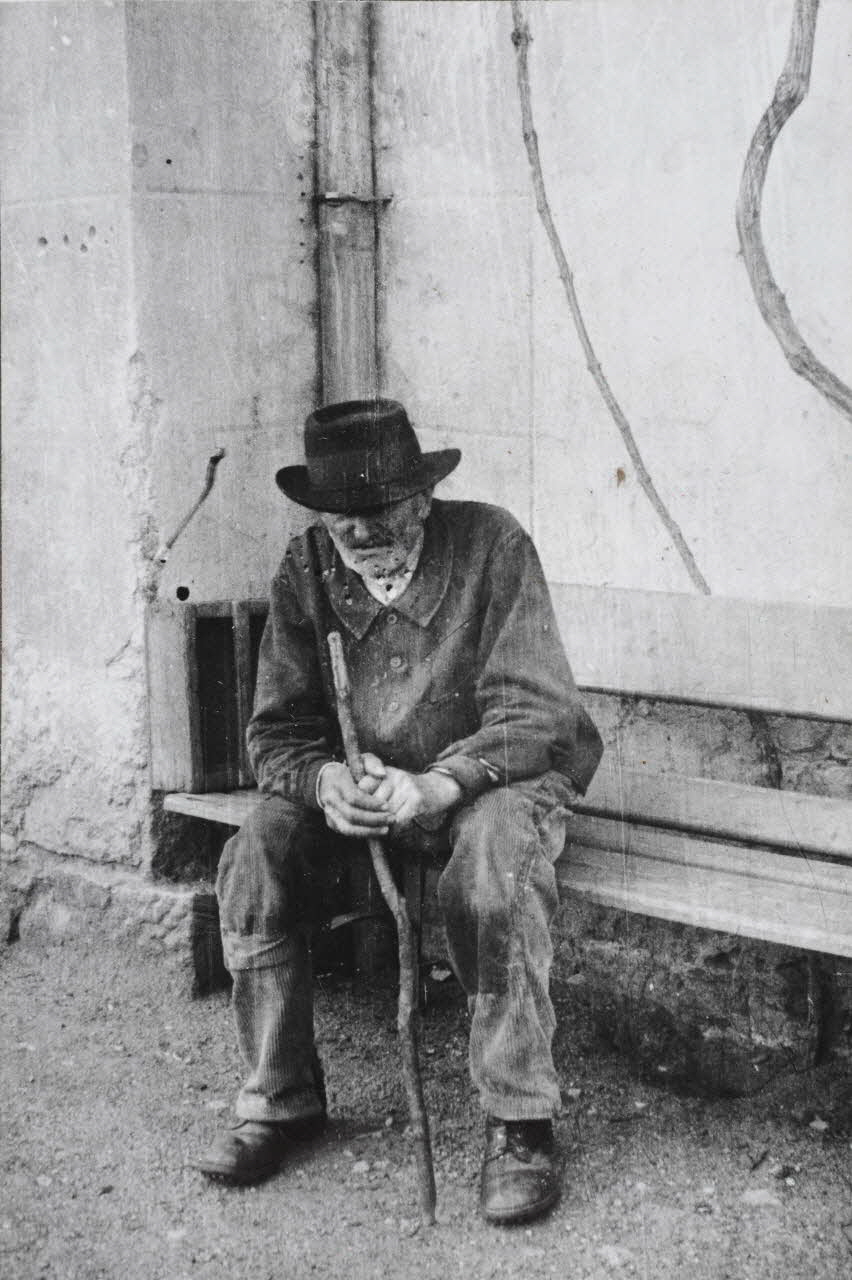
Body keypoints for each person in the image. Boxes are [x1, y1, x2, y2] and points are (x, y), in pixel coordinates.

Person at [196, 399, 603, 1224]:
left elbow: (537, 716)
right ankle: (279, 1098)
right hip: (371, 789)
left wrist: (439, 785)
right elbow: (277, 732)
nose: (359, 533)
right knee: (257, 851)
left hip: (489, 781)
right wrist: (323, 786)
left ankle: (518, 1121)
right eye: (340, 515)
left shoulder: (492, 545)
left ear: (421, 497)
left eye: (379, 511)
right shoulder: (308, 564)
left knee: (495, 866)